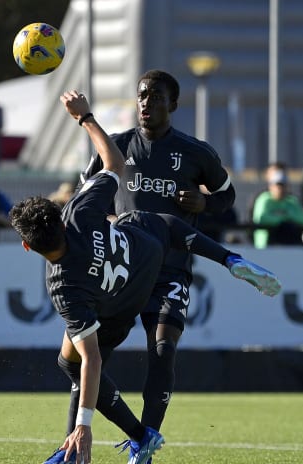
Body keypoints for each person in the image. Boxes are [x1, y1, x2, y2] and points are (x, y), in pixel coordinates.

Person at [12, 91, 281, 464]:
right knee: (154, 227)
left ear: (27, 247)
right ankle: (230, 258)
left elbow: (90, 361)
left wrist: (86, 424)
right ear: (58, 217)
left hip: (117, 302)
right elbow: (114, 162)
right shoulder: (77, 212)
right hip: (151, 253)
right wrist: (85, 117)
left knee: (74, 362)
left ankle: (114, 440)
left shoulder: (61, 288)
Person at [77, 69, 242, 456]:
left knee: (163, 348)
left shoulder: (196, 152)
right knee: (87, 356)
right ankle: (72, 441)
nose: (146, 103)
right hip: (121, 269)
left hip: (170, 268)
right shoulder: (114, 147)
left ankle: (144, 443)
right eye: (141, 96)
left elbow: (227, 196)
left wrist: (205, 203)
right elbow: (85, 200)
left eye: (155, 96)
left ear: (174, 104)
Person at [252, 163, 303, 248]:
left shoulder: (292, 201)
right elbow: (261, 218)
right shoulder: (264, 200)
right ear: (271, 185)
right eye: (277, 185)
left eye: (283, 185)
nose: (280, 189)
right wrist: (286, 217)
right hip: (265, 248)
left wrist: (284, 216)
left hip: (290, 247)